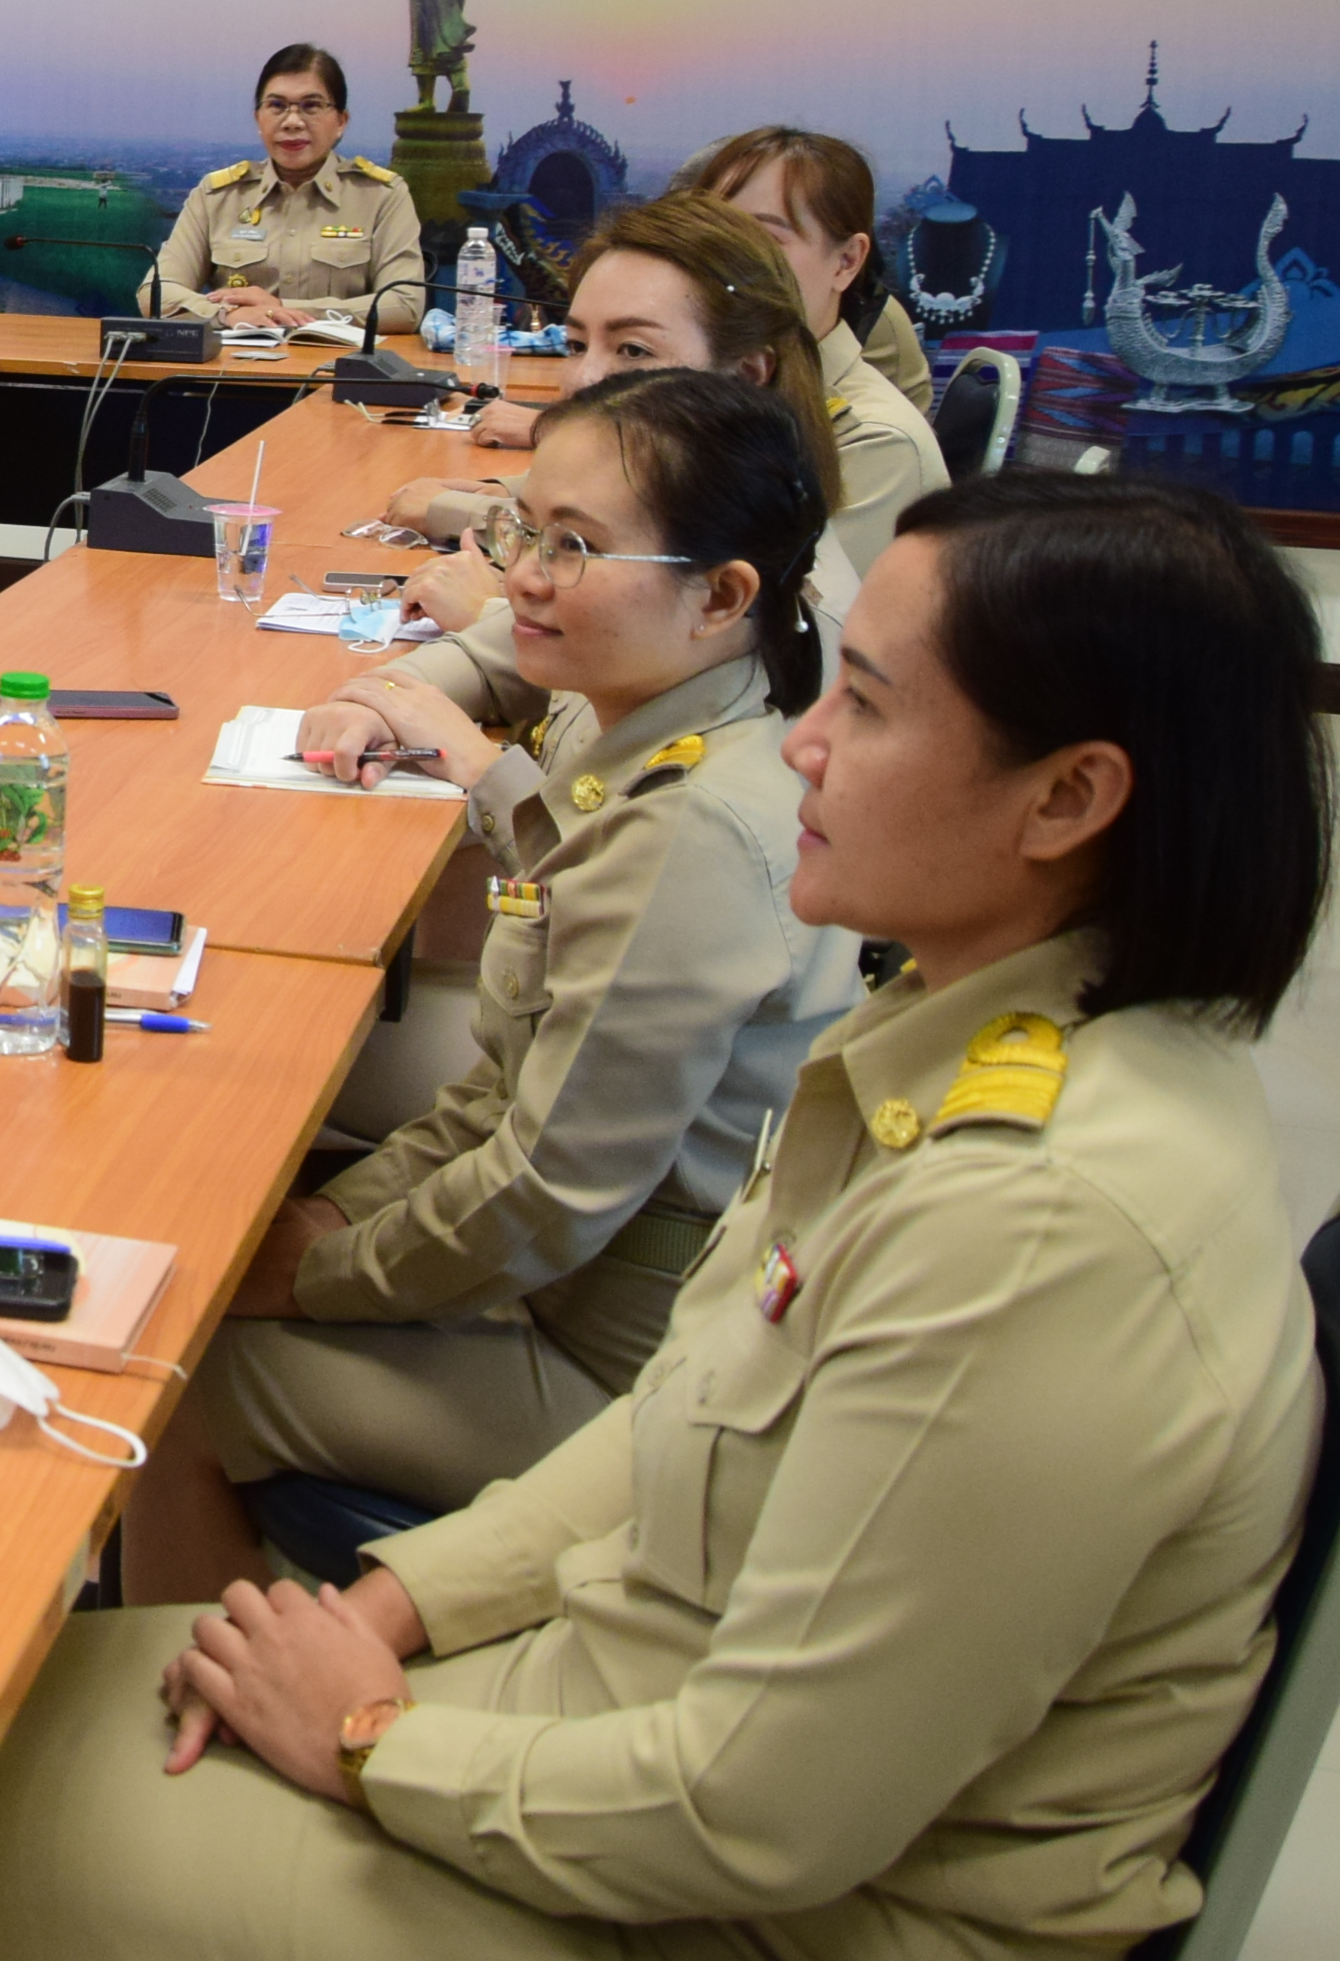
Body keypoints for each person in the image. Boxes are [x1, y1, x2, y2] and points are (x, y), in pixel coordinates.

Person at [0, 468, 1328, 1961]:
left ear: (1069, 797)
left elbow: (762, 1813)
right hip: (624, 1714)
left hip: (764, 1910)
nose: (805, 743)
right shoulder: (968, 1038)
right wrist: (395, 1605)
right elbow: (683, 1428)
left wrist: (370, 1736)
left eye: (869, 703)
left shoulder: (1039, 1225)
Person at [111, 371, 851, 1602]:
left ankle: (202, 1704)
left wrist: (317, 1270)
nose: (520, 578)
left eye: (574, 548)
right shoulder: (656, 726)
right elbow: (509, 1093)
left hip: (620, 1368)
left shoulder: (688, 833)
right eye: (520, 531)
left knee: (174, 1368)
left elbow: (544, 1194)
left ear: (723, 597)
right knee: (242, 1255)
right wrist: (334, 1229)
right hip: (570, 1281)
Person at [386, 191, 846, 633]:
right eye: (576, 345)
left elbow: (602, 657)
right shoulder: (689, 487)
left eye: (633, 350)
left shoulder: (781, 572)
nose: (584, 379)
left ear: (746, 373)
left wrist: (487, 614)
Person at [678, 125, 953, 509]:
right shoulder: (716, 388)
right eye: (711, 236)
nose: (725, 261)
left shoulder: (876, 443)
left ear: (846, 261)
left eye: (764, 239)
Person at [137, 46, 424, 333]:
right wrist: (225, 316)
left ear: (340, 122)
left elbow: (404, 305)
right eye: (277, 106)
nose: (292, 122)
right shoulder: (217, 196)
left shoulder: (381, 196)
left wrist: (284, 308)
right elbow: (156, 293)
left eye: (311, 106)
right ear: (258, 119)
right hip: (231, 370)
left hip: (340, 371)